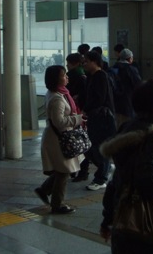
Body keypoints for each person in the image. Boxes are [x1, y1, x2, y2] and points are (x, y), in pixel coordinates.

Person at [99, 80, 153, 253]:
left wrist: (108, 219)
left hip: (123, 218)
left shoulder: (127, 129)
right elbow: (148, 181)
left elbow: (116, 181)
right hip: (147, 223)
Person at [35, 65, 85, 214]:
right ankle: (57, 205)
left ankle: (44, 190)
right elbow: (59, 121)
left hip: (57, 136)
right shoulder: (57, 98)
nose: (67, 77)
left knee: (62, 169)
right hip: (58, 138)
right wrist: (78, 119)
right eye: (64, 75)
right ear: (56, 79)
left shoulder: (57, 93)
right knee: (64, 171)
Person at [82, 51, 117, 191]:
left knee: (97, 147)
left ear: (94, 61)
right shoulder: (92, 76)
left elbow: (99, 98)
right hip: (96, 117)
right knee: (92, 147)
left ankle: (101, 178)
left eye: (86, 61)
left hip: (102, 118)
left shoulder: (100, 76)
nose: (84, 64)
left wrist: (85, 109)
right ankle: (106, 168)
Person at [65, 53, 89, 182]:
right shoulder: (84, 75)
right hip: (79, 114)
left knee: (76, 143)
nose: (67, 65)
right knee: (79, 142)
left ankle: (79, 171)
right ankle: (79, 170)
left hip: (75, 114)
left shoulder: (75, 76)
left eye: (68, 63)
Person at [110, 48, 142, 129]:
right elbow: (138, 85)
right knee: (128, 127)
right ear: (130, 58)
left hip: (114, 104)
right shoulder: (131, 69)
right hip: (128, 104)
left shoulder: (112, 69)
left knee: (118, 127)